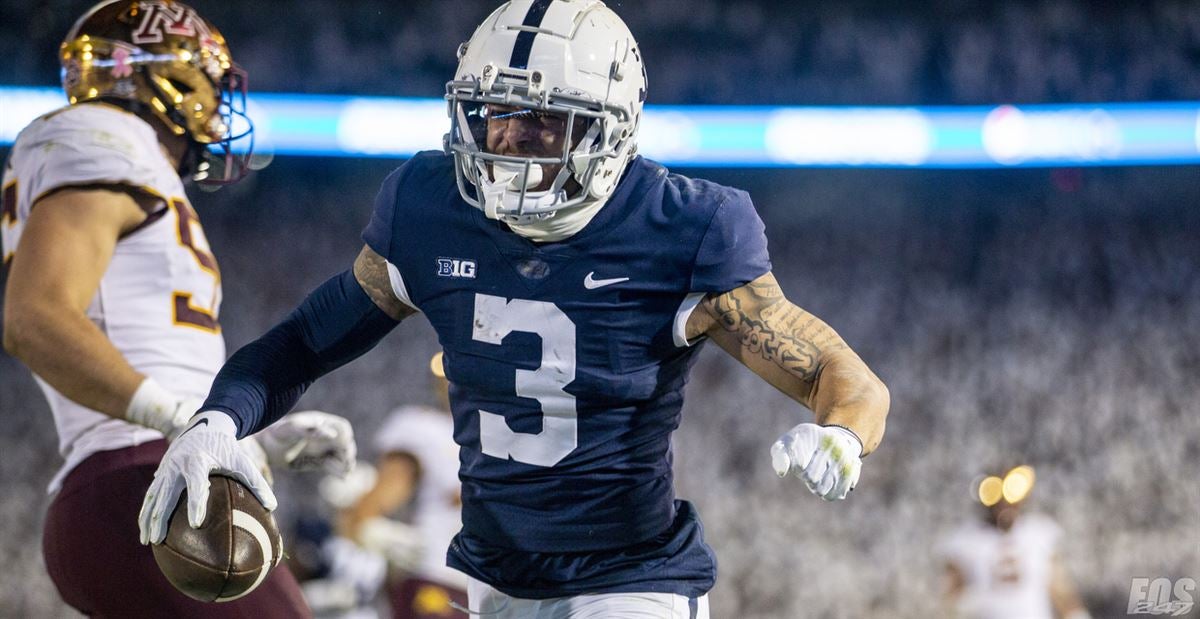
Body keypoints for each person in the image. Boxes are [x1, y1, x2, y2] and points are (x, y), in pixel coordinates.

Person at [139, 1, 891, 617]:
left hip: (629, 581)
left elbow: (833, 367)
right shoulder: (428, 205)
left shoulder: (684, 226)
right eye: (495, 114)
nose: (510, 141)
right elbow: (306, 340)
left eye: (543, 122)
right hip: (492, 579)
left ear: (613, 127)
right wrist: (216, 418)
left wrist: (845, 434)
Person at [1, 1, 354, 616]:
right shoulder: (103, 138)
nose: (218, 102)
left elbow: (143, 341)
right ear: (158, 74)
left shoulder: (128, 158)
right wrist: (183, 421)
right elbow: (35, 317)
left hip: (141, 475)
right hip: (138, 478)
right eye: (207, 80)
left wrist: (250, 441)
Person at [939, 465, 1091, 619]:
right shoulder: (966, 540)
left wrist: (1077, 615)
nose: (1004, 503)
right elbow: (951, 597)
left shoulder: (1037, 533)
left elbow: (1060, 589)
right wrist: (969, 600)